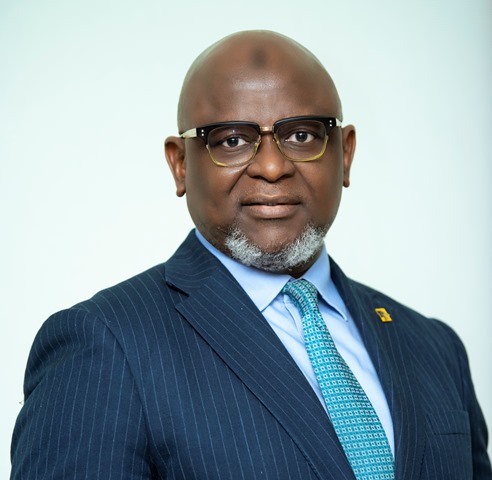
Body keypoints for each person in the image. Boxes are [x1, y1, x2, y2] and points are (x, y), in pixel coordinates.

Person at [10, 30, 491, 480]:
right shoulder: (105, 344)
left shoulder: (434, 347)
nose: (272, 166)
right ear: (180, 165)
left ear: (345, 154)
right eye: (232, 140)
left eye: (302, 135)